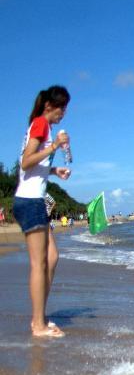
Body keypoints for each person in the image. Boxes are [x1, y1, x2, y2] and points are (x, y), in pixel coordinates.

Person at [12, 85, 71, 338]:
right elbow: (26, 161)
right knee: (40, 263)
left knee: (52, 257)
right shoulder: (40, 124)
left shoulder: (41, 126)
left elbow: (31, 168)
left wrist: (54, 171)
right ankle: (38, 324)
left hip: (33, 200)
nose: (63, 114)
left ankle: (41, 316)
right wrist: (54, 147)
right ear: (50, 106)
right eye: (62, 108)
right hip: (30, 201)